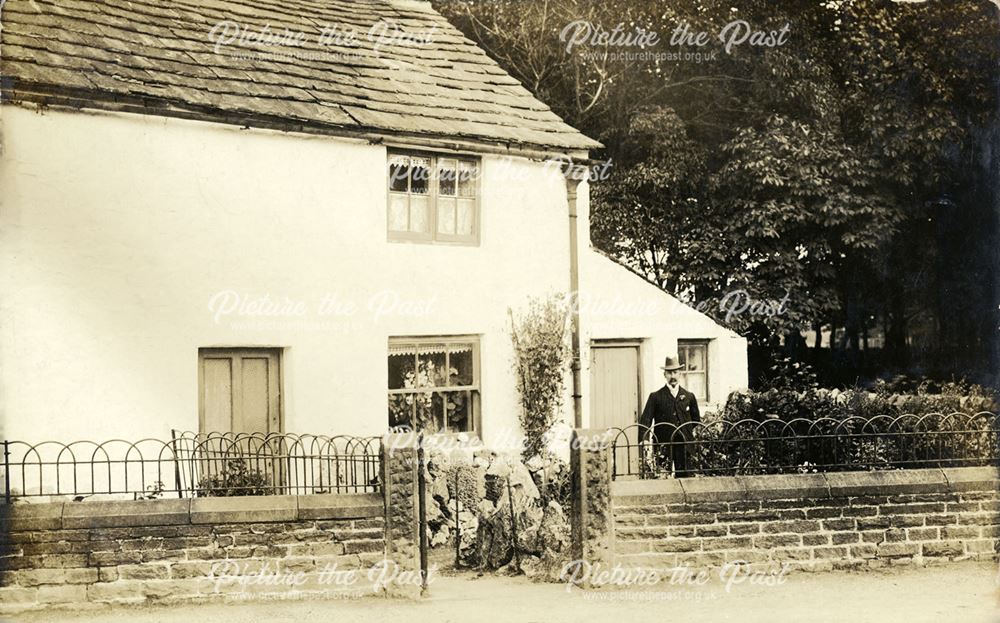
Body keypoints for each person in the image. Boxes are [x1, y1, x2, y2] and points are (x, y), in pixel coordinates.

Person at [638, 355, 701, 477]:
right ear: (664, 375)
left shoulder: (689, 396)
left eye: (675, 372)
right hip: (663, 444)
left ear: (680, 374)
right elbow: (645, 419)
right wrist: (644, 439)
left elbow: (696, 421)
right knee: (662, 477)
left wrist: (685, 433)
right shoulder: (655, 397)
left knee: (685, 477)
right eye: (669, 373)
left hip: (684, 446)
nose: (672, 376)